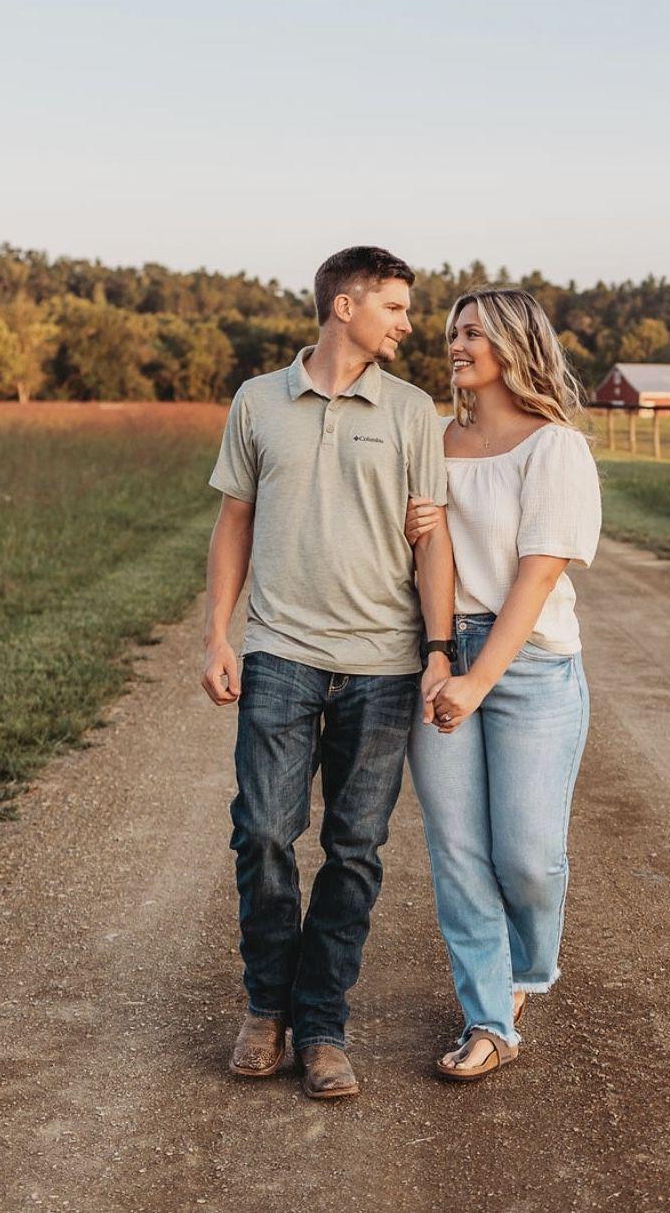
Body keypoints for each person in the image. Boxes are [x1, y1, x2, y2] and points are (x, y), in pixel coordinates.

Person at [201, 246, 457, 1101]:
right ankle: (264, 1009)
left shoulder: (412, 410)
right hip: (280, 651)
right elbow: (234, 520)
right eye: (395, 306)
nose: (408, 323)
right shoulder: (257, 400)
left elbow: (432, 541)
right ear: (344, 305)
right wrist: (217, 635)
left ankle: (321, 1026)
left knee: (353, 848)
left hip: (381, 665)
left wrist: (437, 649)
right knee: (264, 833)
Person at [404, 287, 602, 1081]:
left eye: (474, 333)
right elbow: (433, 553)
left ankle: (527, 968)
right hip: (447, 649)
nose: (457, 344)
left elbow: (538, 571)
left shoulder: (554, 447)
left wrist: (480, 678)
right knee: (457, 851)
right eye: (454, 331)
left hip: (531, 664)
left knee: (525, 855)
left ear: (516, 344)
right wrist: (438, 655)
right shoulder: (434, 440)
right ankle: (488, 1018)